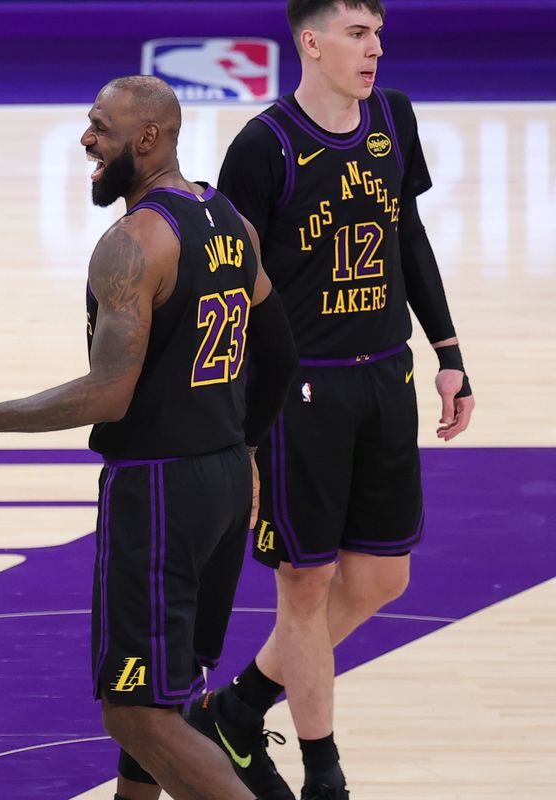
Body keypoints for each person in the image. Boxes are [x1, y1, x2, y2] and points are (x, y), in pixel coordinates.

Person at [0, 76, 298, 800]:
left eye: (100, 127)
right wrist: (243, 447)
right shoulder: (228, 218)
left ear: (147, 139)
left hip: (160, 489)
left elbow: (109, 393)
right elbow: (281, 353)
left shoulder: (133, 242)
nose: (86, 139)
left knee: (134, 713)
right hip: (221, 480)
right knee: (166, 697)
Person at [183, 3, 476, 799]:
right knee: (305, 586)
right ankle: (324, 774)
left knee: (384, 579)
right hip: (299, 389)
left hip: (386, 374)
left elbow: (405, 231)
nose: (375, 48)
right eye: (356, 33)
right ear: (310, 42)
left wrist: (449, 354)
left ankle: (240, 709)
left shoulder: (393, 116)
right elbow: (231, 284)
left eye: (378, 33)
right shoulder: (262, 145)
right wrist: (234, 412)